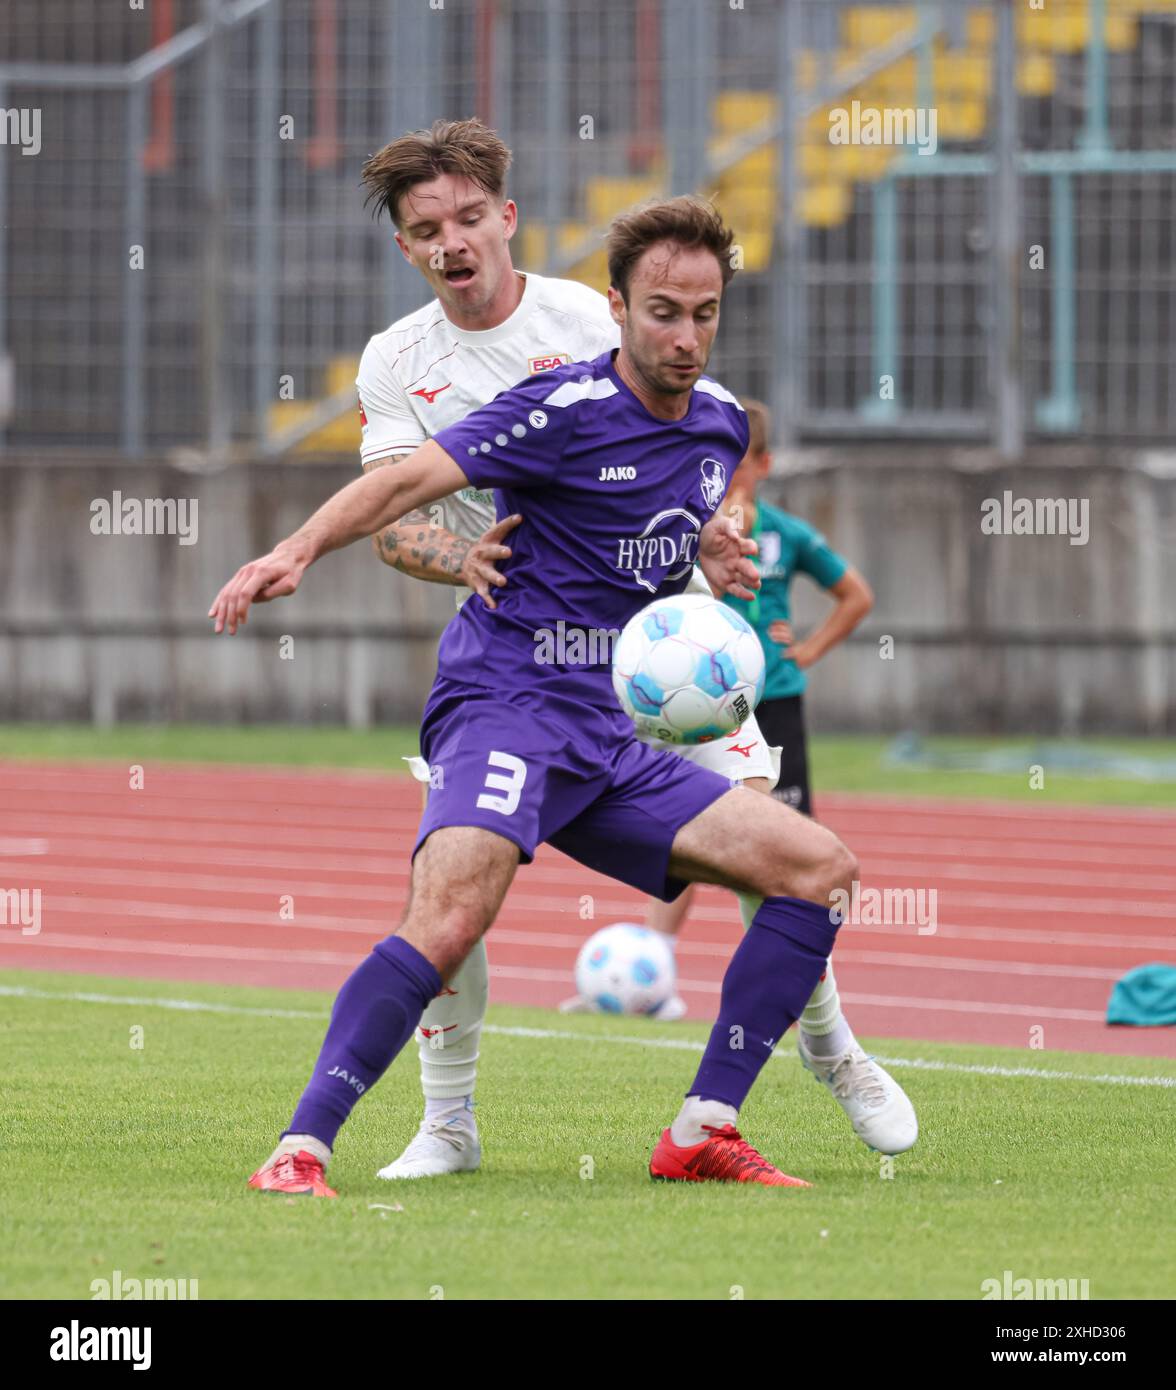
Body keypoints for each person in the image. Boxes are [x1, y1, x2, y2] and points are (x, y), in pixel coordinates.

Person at [211, 195, 881, 1192]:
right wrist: (298, 548)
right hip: (506, 702)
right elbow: (406, 484)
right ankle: (302, 1148)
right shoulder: (558, 408)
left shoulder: (720, 426)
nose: (685, 335)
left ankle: (702, 1129)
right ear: (618, 308)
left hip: (613, 734)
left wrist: (704, 546)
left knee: (819, 868)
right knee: (450, 918)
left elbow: (662, 518)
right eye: (663, 311)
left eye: (703, 313)